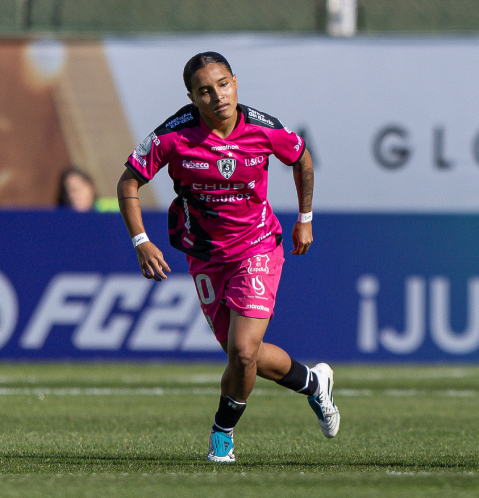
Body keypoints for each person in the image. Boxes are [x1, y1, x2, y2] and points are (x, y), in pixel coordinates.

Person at [116, 51, 339, 463]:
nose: (217, 95)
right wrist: (141, 241)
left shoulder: (263, 128)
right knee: (242, 356)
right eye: (205, 91)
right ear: (191, 97)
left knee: (242, 350)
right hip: (205, 255)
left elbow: (302, 158)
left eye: (223, 84)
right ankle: (313, 382)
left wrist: (305, 218)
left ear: (235, 82)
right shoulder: (172, 137)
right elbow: (128, 181)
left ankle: (222, 433)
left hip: (257, 245)